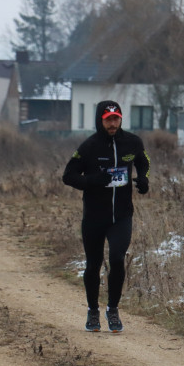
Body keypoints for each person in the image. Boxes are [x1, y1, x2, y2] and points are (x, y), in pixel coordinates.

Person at [62, 100, 150, 333]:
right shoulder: (89, 146)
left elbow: (144, 162)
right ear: (100, 120)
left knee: (118, 259)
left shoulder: (132, 142)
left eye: (116, 119)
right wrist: (92, 181)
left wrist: (143, 179)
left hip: (121, 215)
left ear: (121, 119)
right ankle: (93, 311)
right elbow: (68, 175)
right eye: (108, 119)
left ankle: (112, 309)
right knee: (93, 264)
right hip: (94, 217)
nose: (112, 124)